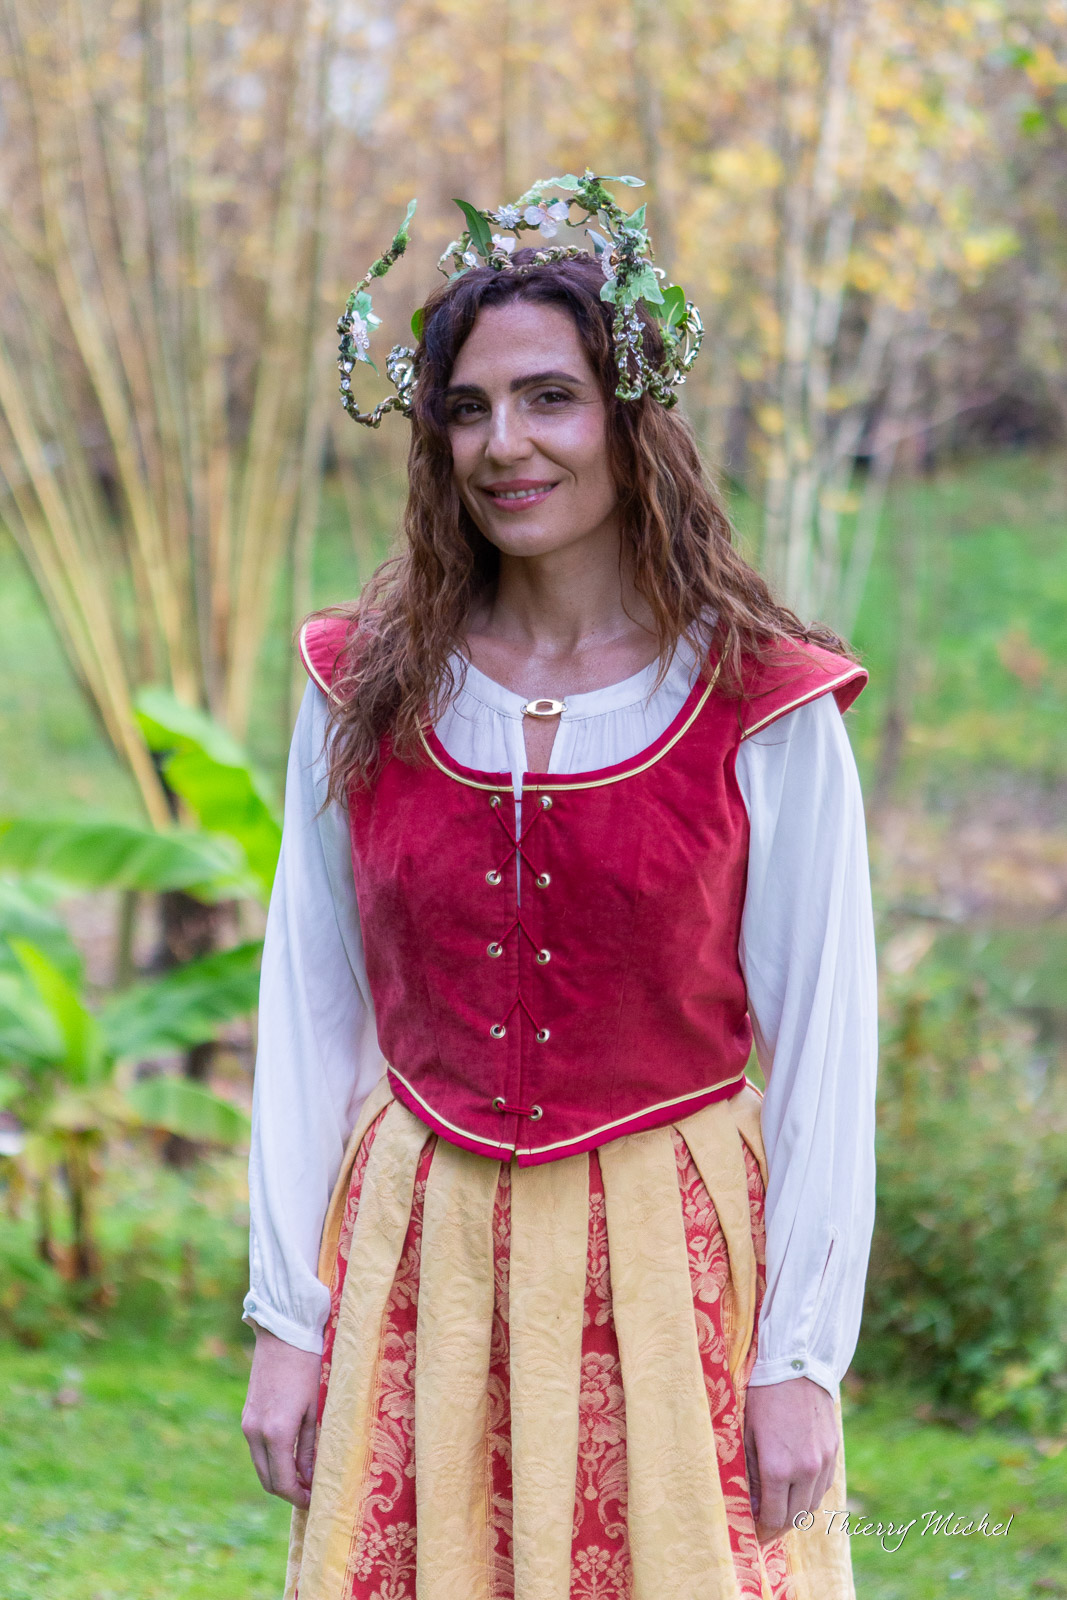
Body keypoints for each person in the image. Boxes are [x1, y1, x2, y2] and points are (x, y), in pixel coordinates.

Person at [240, 176, 877, 1600]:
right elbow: (311, 1006)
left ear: (632, 420)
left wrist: (799, 1358)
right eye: (468, 409)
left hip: (671, 1263)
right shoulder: (364, 688)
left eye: (550, 399)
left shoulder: (763, 705)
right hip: (423, 1254)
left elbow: (826, 1050)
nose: (505, 444)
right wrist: (287, 1315)